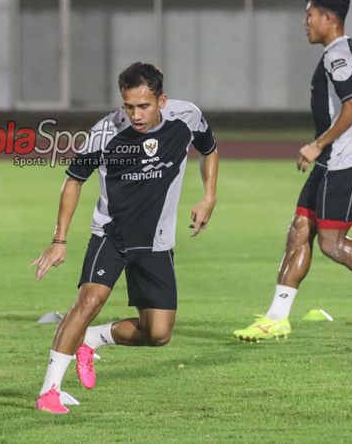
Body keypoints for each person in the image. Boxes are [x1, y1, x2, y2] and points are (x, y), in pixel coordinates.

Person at [31, 62, 219, 414]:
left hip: (156, 242)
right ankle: (49, 391)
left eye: (143, 106)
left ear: (161, 100)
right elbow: (73, 180)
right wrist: (59, 240)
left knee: (159, 333)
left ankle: (90, 339)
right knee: (88, 302)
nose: (135, 114)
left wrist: (209, 195)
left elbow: (209, 150)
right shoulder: (105, 133)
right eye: (128, 106)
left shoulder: (187, 118)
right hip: (111, 234)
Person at [233, 0, 352, 342]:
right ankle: (277, 318)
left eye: (309, 15)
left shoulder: (337, 56)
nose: (305, 22)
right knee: (299, 229)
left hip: (343, 164)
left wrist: (321, 144)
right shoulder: (349, 50)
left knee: (332, 244)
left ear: (328, 17)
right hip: (335, 160)